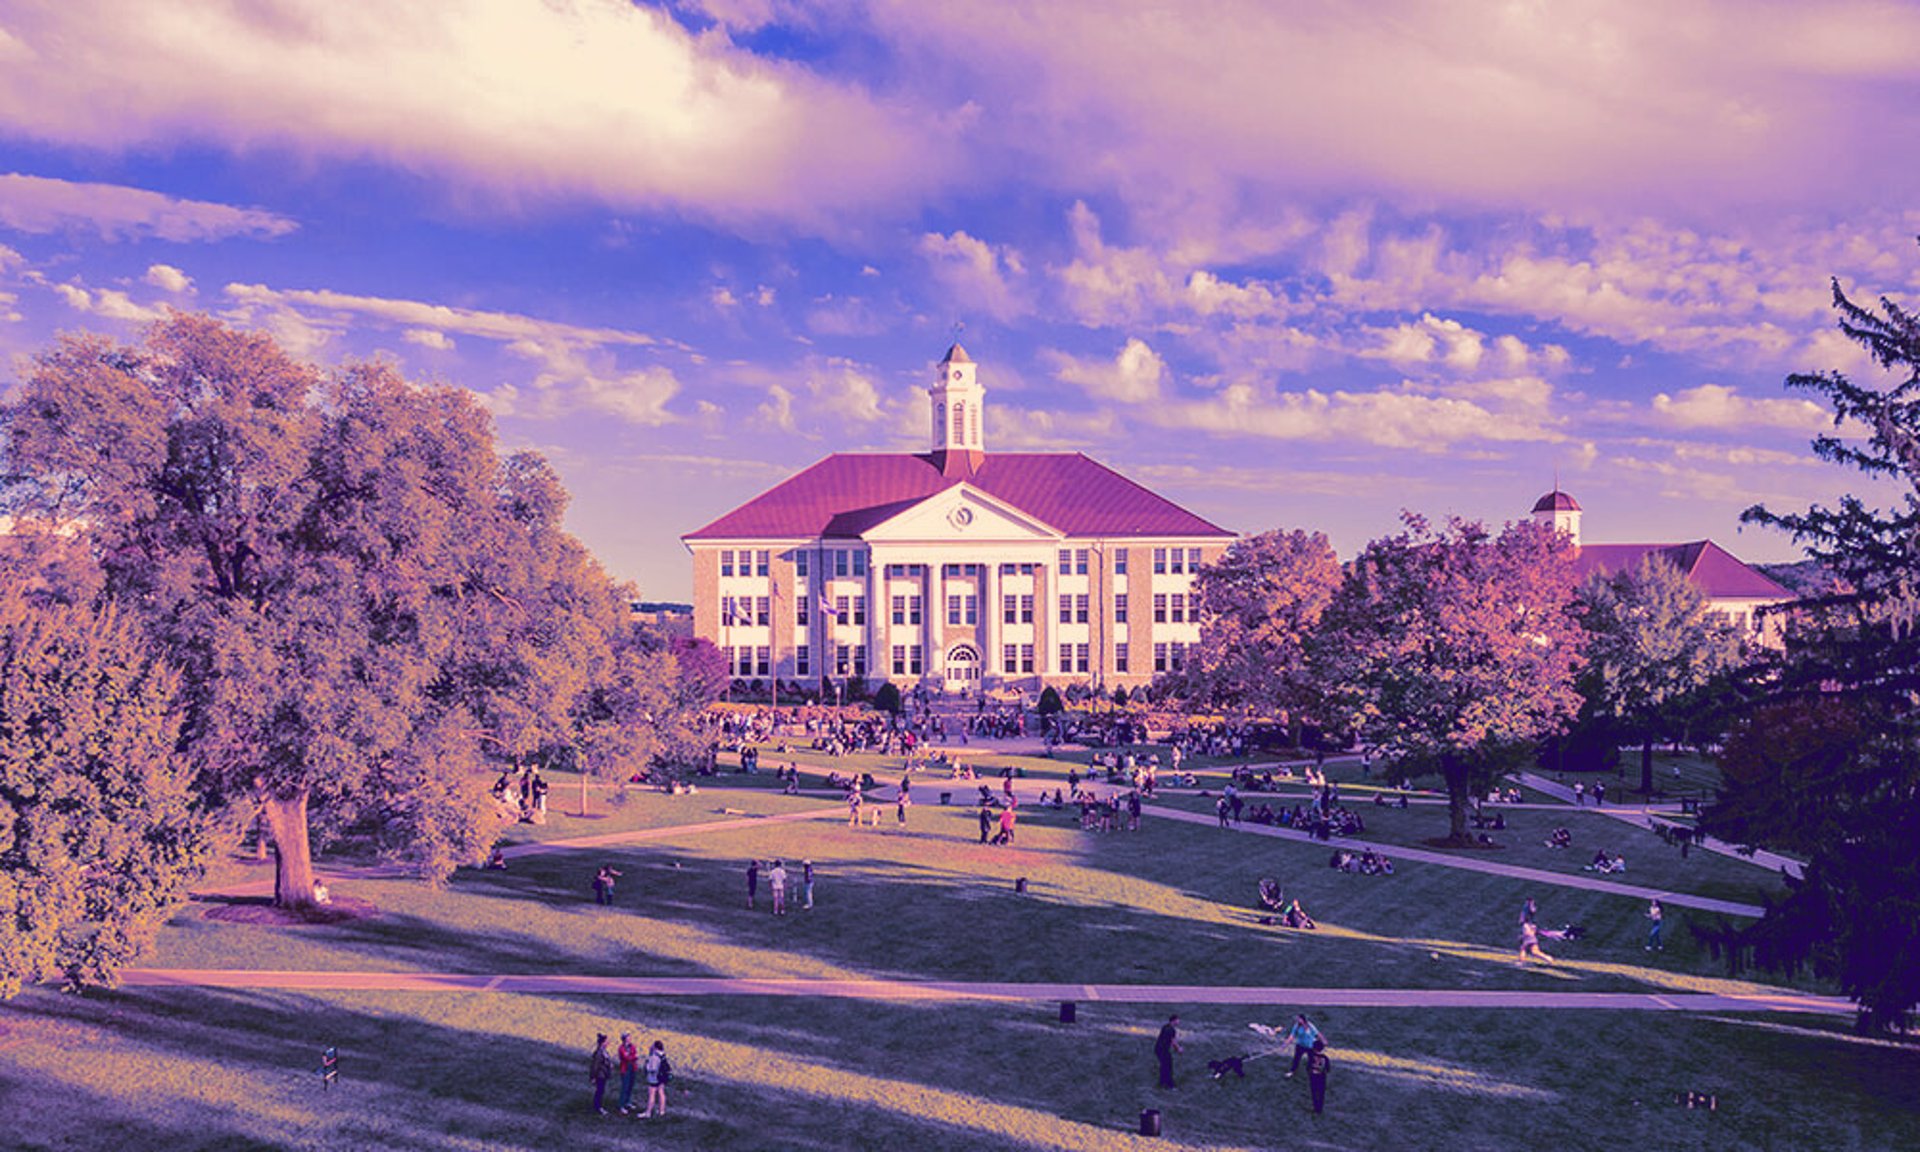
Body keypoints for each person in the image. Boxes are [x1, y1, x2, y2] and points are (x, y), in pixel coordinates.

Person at [640, 1039, 671, 1118]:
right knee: (661, 1093)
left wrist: (647, 1065)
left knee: (651, 1095)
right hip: (661, 1078)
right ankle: (661, 1110)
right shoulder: (662, 1055)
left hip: (654, 1078)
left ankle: (648, 1112)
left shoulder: (654, 1056)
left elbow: (652, 1069)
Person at [588, 1033, 614, 1115]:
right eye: (606, 1041)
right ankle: (598, 1107)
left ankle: (597, 1106)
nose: (608, 1043)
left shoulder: (603, 1051)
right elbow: (595, 1066)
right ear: (603, 1042)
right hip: (600, 1075)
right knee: (600, 1091)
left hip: (603, 1074)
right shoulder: (599, 1052)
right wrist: (593, 1077)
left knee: (600, 1091)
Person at [1154, 1014, 1182, 1088]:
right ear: (1174, 1020)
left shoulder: (1165, 1027)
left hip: (1158, 1049)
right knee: (1168, 1067)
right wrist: (1179, 1049)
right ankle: (1170, 1085)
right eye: (1178, 1020)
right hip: (1164, 1050)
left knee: (1163, 1066)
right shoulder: (1172, 1030)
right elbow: (1173, 1042)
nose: (1179, 1021)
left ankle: (1162, 1083)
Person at [616, 1033, 640, 1115]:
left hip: (632, 1068)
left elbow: (633, 1054)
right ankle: (621, 1105)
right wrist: (633, 1057)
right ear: (624, 1039)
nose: (630, 1039)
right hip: (625, 1069)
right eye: (628, 1037)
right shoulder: (621, 1048)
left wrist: (631, 1057)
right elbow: (626, 1057)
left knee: (630, 1086)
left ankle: (627, 1102)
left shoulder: (631, 1046)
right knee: (625, 1087)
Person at [1306, 1039, 1331, 1115]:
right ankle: (1320, 1109)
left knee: (1314, 1092)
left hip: (1313, 1076)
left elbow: (1308, 1067)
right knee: (1321, 1093)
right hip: (1322, 1077)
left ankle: (1315, 1107)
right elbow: (1328, 1069)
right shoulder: (1325, 1058)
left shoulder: (1311, 1056)